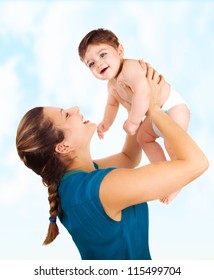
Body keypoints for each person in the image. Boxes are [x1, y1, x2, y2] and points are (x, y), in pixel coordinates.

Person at [16, 62, 208, 260]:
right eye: (66, 115)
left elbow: (129, 157)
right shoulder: (96, 190)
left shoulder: (77, 180)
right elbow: (197, 163)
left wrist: (135, 105)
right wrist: (154, 109)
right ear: (63, 147)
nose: (75, 109)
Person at [78, 28, 190, 204]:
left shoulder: (130, 67)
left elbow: (143, 92)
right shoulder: (111, 85)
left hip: (173, 106)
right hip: (156, 115)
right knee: (143, 138)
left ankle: (177, 182)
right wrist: (106, 123)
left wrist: (133, 121)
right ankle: (164, 173)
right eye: (90, 63)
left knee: (171, 144)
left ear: (120, 51)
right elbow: (112, 104)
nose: (98, 64)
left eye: (103, 55)